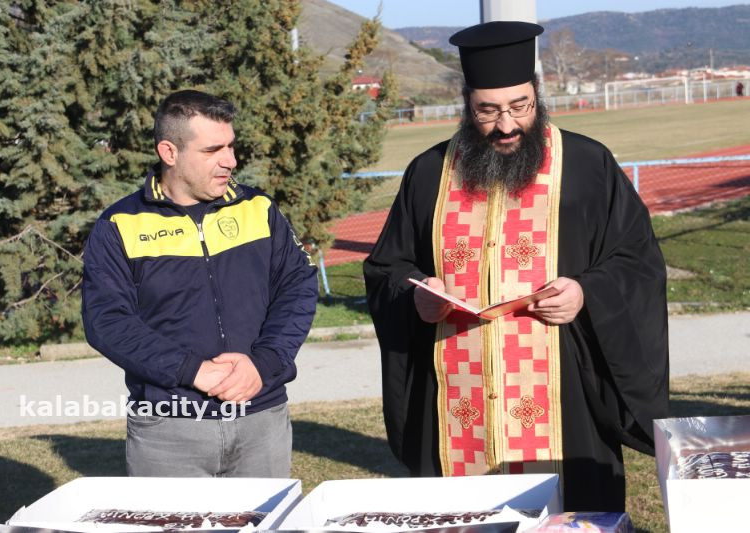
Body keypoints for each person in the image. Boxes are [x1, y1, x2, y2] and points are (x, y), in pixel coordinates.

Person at [364, 21, 668, 512]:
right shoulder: (428, 173)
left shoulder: (587, 164)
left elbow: (638, 262)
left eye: (519, 107)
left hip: (563, 390)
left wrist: (585, 292)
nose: (506, 125)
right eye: (488, 111)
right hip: (456, 394)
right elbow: (386, 268)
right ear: (467, 104)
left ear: (536, 96)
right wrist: (416, 293)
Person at [82, 90, 318, 477]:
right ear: (169, 152)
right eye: (212, 150)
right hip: (168, 430)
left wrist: (264, 364)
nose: (230, 161)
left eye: (230, 146)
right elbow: (106, 321)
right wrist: (192, 370)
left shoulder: (258, 209)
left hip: (262, 418)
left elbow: (298, 288)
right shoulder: (119, 225)